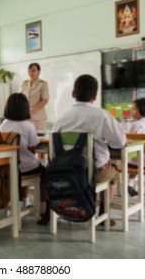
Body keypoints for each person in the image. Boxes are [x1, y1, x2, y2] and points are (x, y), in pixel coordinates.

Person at [53, 74, 126, 226]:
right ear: (95, 96)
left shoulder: (61, 118)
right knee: (114, 173)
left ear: (73, 94)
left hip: (66, 171)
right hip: (93, 173)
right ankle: (103, 213)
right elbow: (119, 142)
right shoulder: (101, 115)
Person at [0, 93, 49, 225]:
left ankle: (26, 200)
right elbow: (33, 147)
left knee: (23, 164)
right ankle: (43, 207)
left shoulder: (3, 125)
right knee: (44, 172)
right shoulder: (27, 126)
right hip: (25, 167)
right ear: (25, 108)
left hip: (9, 167)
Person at [20, 63, 49, 131]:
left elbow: (45, 100)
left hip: (38, 118)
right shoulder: (24, 84)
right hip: (25, 117)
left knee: (39, 139)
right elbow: (20, 99)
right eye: (29, 71)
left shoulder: (43, 84)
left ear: (39, 71)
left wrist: (30, 111)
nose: (31, 73)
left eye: (33, 70)